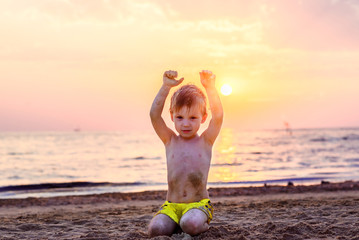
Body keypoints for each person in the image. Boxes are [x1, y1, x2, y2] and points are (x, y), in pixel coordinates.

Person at [148, 70, 223, 237]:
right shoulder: (170, 140)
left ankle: (200, 226)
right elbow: (154, 115)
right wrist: (166, 87)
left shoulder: (206, 141)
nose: (186, 124)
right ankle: (177, 224)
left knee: (190, 223)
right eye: (180, 117)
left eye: (193, 117)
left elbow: (217, 116)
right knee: (156, 230)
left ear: (203, 118)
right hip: (172, 206)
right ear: (172, 116)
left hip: (198, 205)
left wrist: (210, 87)